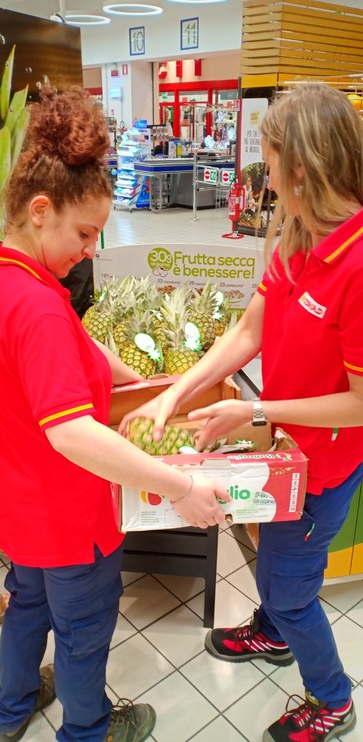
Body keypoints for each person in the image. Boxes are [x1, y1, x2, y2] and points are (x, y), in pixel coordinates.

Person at [119, 82, 363, 742]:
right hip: (286, 447)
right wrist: (171, 392)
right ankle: (270, 633)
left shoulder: (356, 263)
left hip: (323, 467)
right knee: (269, 550)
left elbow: (360, 401)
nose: (261, 172)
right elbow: (247, 332)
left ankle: (332, 700)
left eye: (268, 156)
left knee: (290, 585)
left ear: (303, 167)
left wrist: (257, 409)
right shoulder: (293, 233)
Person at [0, 85, 231, 742]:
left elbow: (63, 350)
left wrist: (135, 376)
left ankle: (10, 710)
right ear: (40, 211)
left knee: (26, 613)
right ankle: (89, 730)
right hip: (72, 521)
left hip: (20, 513)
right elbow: (71, 432)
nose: (91, 250)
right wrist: (182, 486)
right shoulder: (39, 308)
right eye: (84, 233)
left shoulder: (15, 281)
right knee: (81, 637)